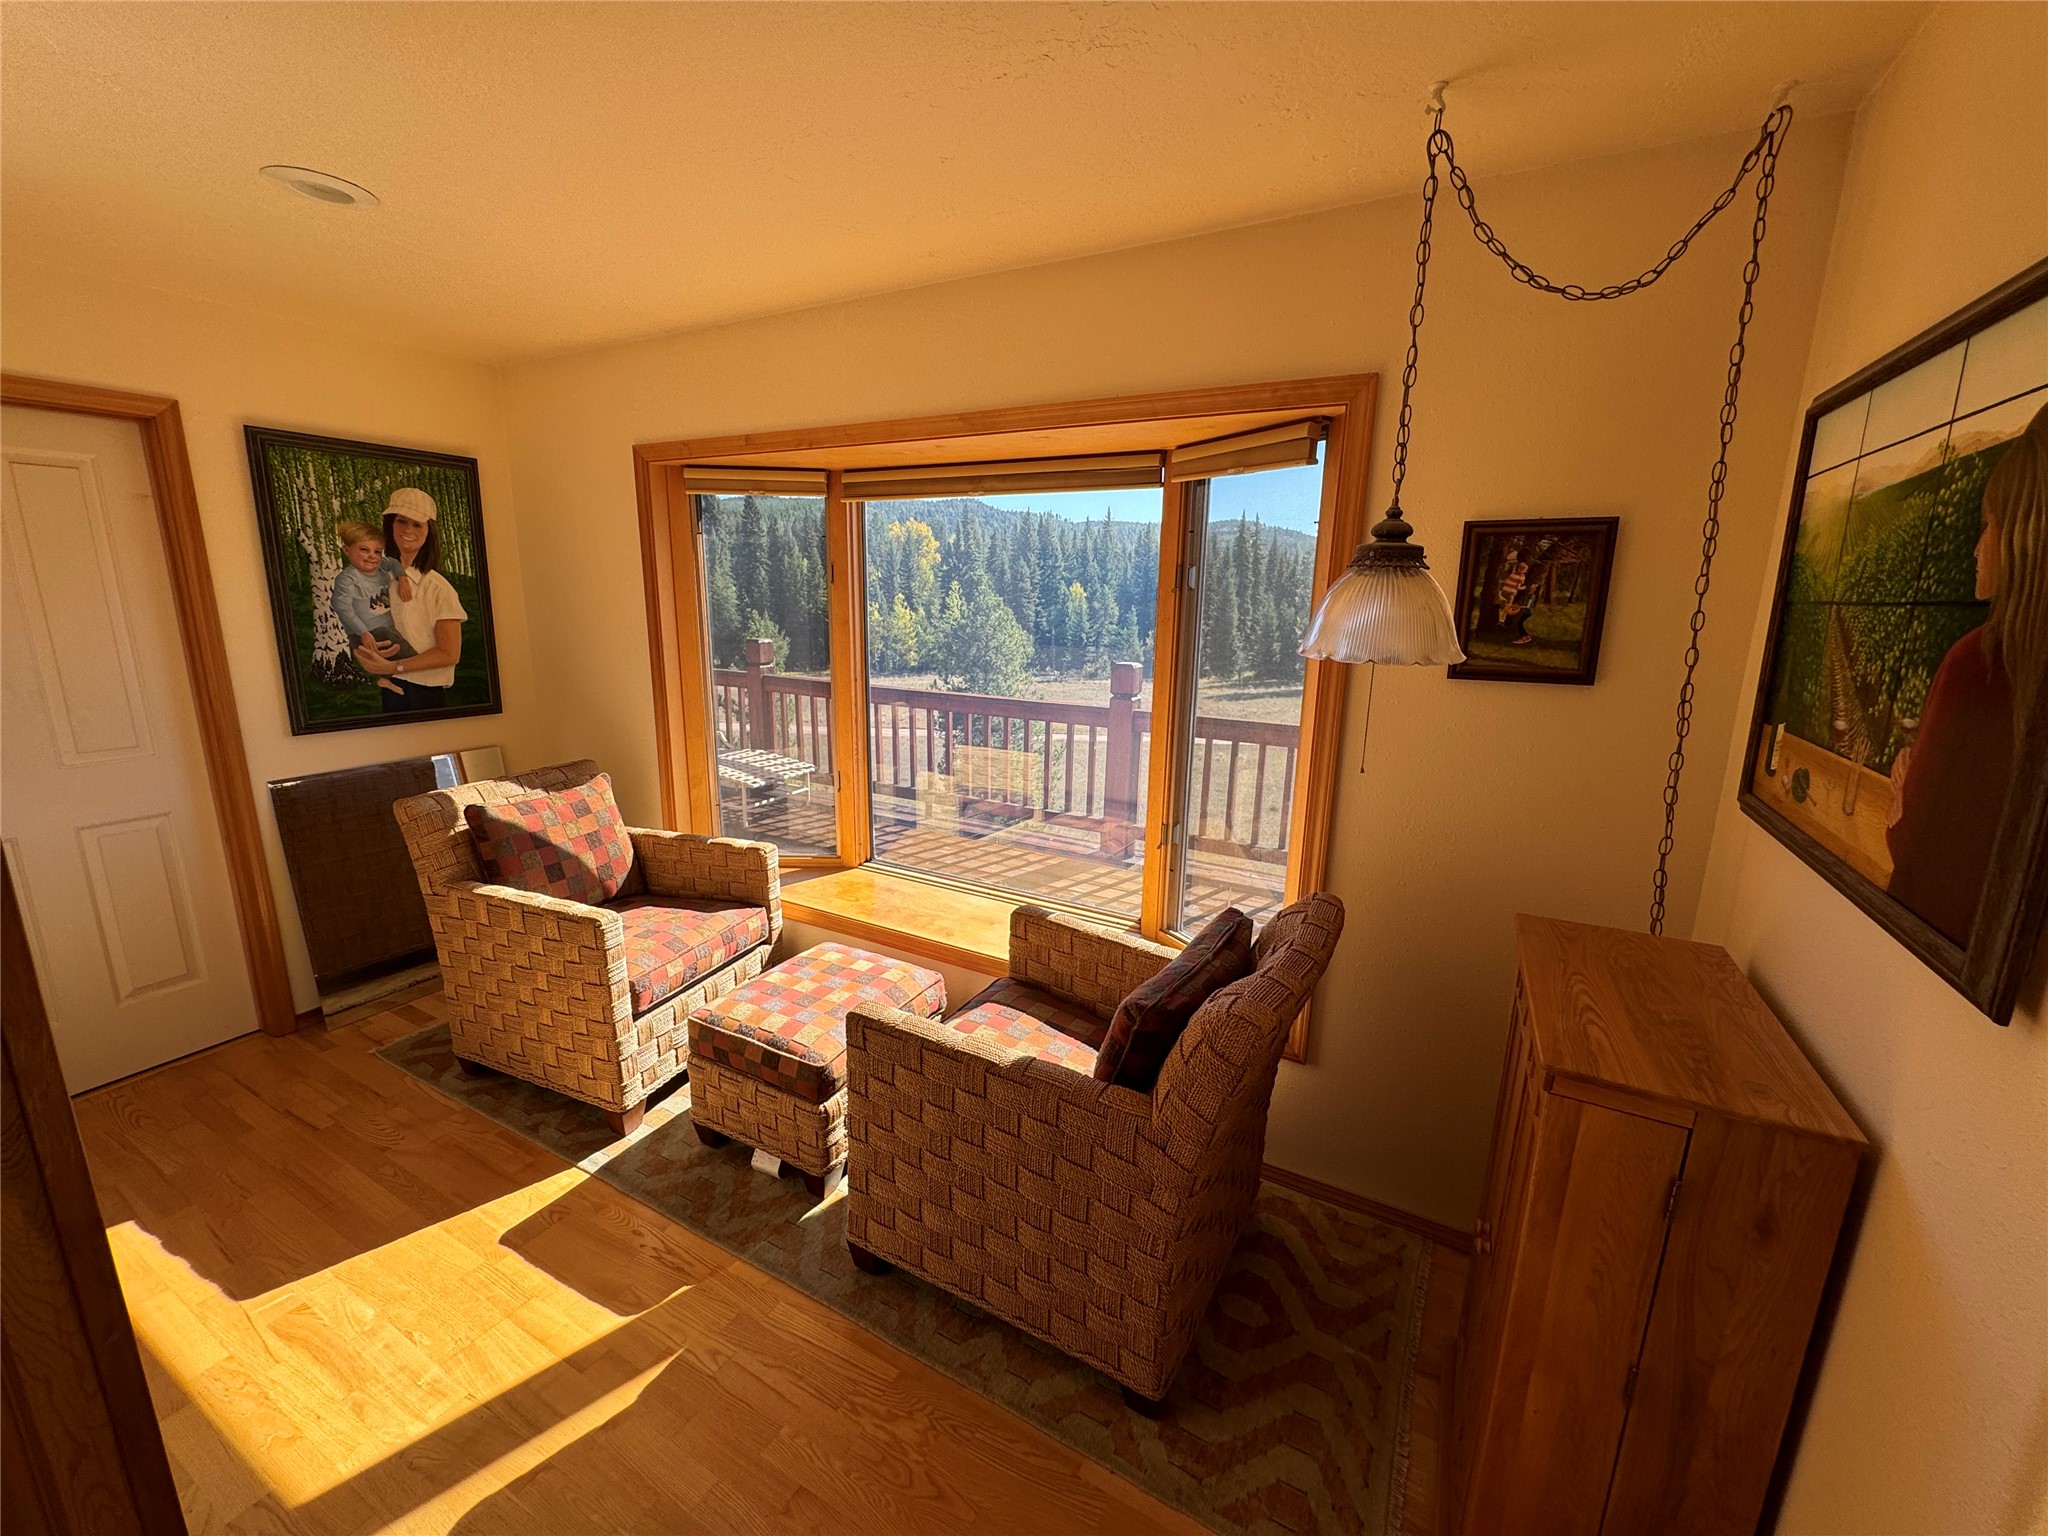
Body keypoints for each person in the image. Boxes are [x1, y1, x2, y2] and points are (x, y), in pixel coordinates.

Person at [1886, 401, 2047, 944]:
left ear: (2019, 538)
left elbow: (1910, 844)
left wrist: (1904, 793)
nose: (1977, 549)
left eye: (1986, 527)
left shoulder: (1975, 665)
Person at [352, 487, 468, 713]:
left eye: (417, 524)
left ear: (429, 531)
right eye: (401, 521)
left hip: (425, 694)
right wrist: (378, 669)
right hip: (391, 687)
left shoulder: (437, 589)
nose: (408, 530)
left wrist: (394, 667)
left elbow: (449, 653)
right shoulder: (379, 578)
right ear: (390, 525)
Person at [327, 520, 414, 696]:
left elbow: (393, 563)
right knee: (402, 651)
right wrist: (363, 632)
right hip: (363, 633)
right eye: (364, 550)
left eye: (377, 551)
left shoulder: (381, 565)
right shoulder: (348, 579)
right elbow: (341, 606)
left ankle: (388, 679)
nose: (372, 556)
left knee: (393, 647)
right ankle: (417, 669)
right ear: (347, 550)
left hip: (387, 627)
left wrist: (402, 578)